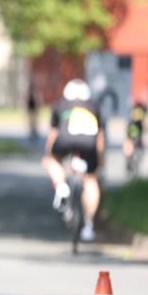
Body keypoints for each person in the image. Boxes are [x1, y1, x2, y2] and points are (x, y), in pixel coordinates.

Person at [41, 78, 104, 242]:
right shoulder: (94, 106)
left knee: (50, 161)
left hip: (65, 141)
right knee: (90, 181)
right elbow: (100, 138)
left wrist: (50, 155)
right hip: (89, 144)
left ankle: (61, 186)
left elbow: (53, 134)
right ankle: (89, 226)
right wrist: (99, 160)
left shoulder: (60, 105)